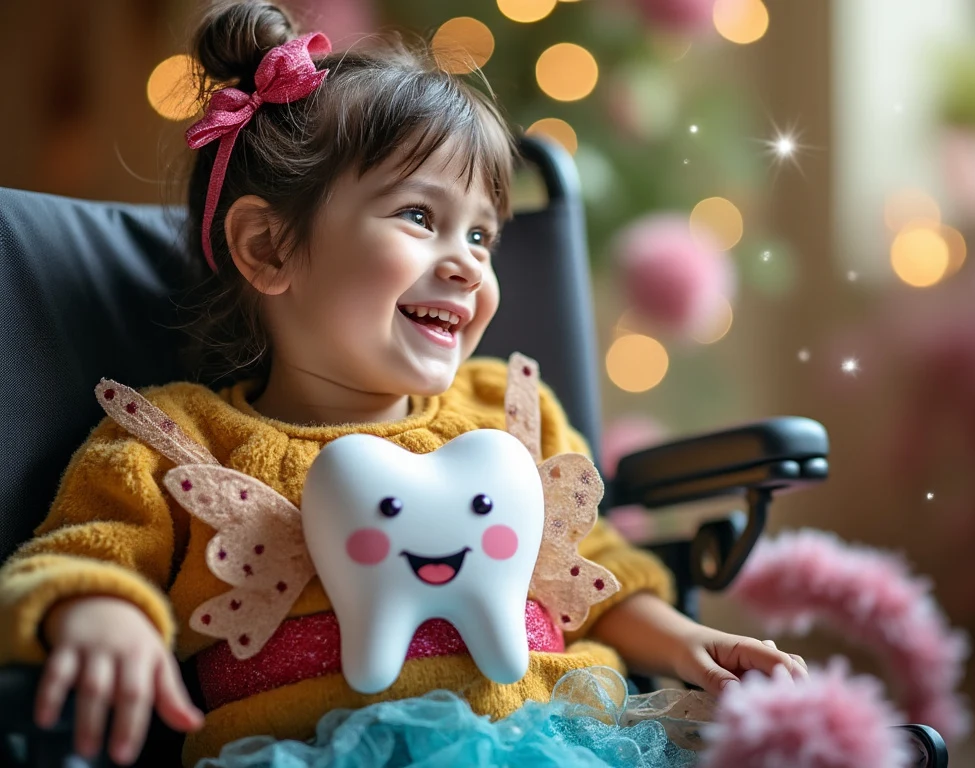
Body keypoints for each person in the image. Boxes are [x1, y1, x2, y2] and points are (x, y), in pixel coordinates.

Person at [0, 2, 807, 766]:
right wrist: (103, 609)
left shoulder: (507, 417)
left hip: (553, 736)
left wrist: (680, 640)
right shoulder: (181, 446)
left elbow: (591, 576)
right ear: (270, 249)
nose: (467, 262)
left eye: (483, 234)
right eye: (420, 217)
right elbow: (82, 549)